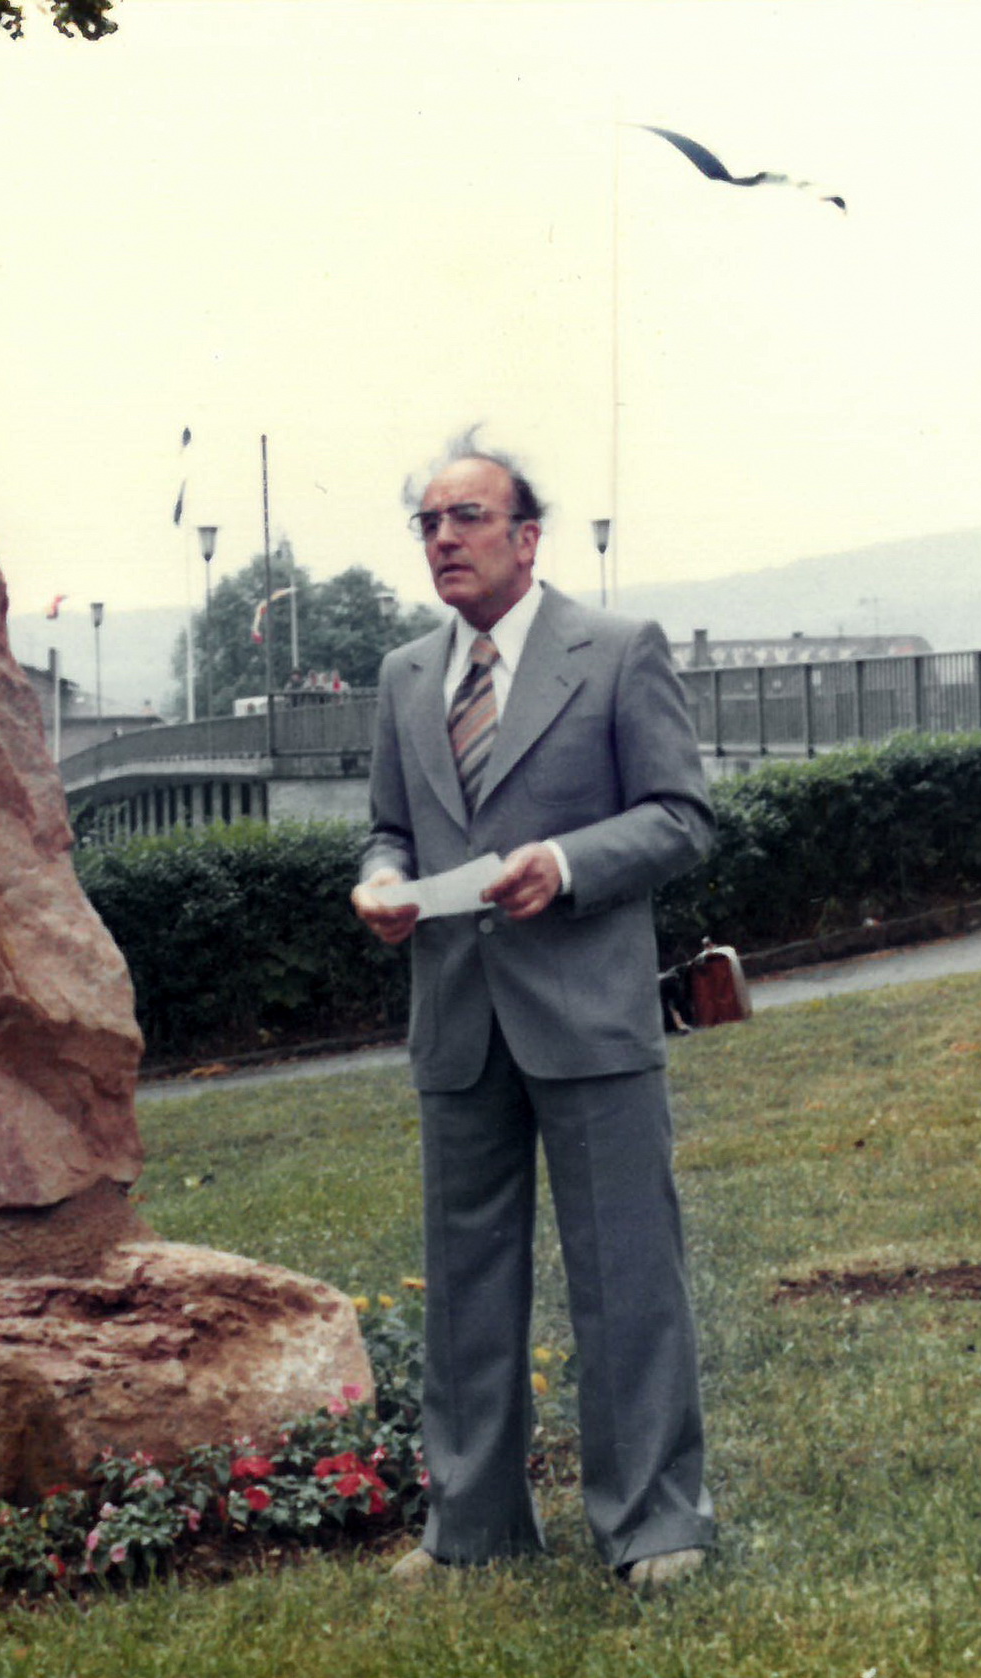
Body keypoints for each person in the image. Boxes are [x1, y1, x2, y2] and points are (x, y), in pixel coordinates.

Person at [351, 437, 716, 1589]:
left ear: (526, 536)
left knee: (625, 1274)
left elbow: (680, 818)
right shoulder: (407, 674)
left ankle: (653, 1523)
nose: (443, 537)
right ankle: (473, 1525)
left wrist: (563, 860)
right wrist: (378, 883)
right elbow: (389, 829)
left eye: (466, 516)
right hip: (457, 1021)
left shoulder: (615, 653)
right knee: (462, 1284)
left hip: (590, 1014)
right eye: (427, 521)